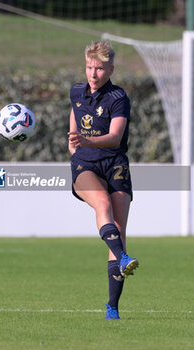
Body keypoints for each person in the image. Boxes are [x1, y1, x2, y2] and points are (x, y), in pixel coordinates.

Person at [68, 40, 139, 320]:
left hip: (116, 165)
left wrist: (86, 139)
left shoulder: (118, 97)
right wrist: (76, 148)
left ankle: (112, 307)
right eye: (89, 67)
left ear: (111, 69)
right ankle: (123, 258)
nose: (93, 73)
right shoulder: (75, 92)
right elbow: (72, 128)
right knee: (102, 205)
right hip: (86, 165)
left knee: (119, 231)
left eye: (99, 68)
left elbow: (115, 137)